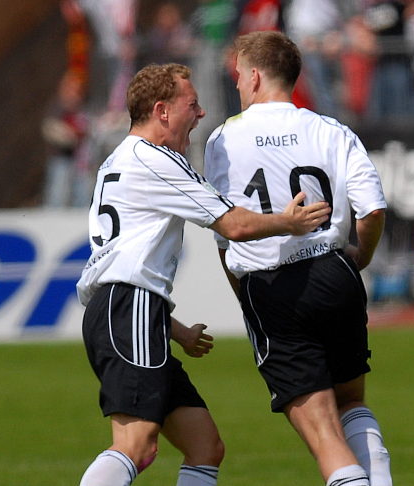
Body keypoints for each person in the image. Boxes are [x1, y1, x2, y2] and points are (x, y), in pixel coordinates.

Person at [76, 62, 330, 486]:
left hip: (129, 311)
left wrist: (174, 330)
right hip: (129, 310)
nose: (201, 113)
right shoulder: (155, 159)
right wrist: (288, 222)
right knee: (136, 444)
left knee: (204, 446)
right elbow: (233, 225)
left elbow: (125, 261)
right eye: (191, 104)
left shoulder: (118, 160)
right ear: (162, 111)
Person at [203, 31, 391, 486]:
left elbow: (226, 233)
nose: (236, 84)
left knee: (324, 433)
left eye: (237, 75)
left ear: (253, 76)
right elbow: (372, 210)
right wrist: (360, 258)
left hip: (273, 287)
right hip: (335, 273)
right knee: (352, 404)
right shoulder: (331, 130)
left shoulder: (223, 139)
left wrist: (244, 294)